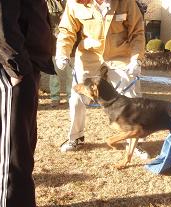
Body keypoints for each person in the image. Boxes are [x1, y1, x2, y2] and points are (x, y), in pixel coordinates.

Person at [0, 0, 55, 207]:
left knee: (12, 150)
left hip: (17, 60)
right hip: (8, 64)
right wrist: (15, 65)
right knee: (12, 157)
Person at [56, 0, 147, 158]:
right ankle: (76, 137)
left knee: (131, 97)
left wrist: (136, 59)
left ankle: (133, 141)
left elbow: (137, 32)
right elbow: (66, 31)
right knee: (77, 97)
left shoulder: (126, 2)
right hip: (89, 55)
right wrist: (62, 53)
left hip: (120, 55)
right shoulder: (75, 3)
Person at [46, 0, 73, 107]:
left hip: (72, 43)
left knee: (71, 73)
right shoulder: (47, 3)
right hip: (54, 44)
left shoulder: (72, 2)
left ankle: (71, 96)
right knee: (54, 73)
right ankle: (55, 97)